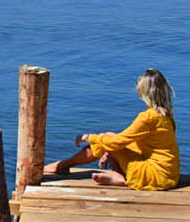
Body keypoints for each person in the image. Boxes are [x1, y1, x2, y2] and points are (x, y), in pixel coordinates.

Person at [42, 68, 180, 190]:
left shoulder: (148, 118)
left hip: (154, 176)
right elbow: (139, 144)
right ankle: (118, 175)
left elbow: (119, 142)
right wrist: (109, 148)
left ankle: (62, 166)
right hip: (169, 175)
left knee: (106, 140)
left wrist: (91, 138)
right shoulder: (166, 116)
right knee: (108, 137)